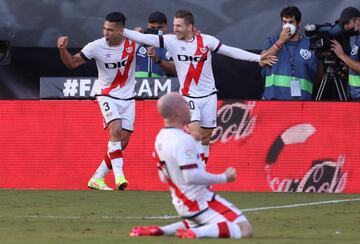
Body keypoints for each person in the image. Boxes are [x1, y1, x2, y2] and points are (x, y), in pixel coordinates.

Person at [122, 9, 277, 164]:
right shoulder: (171, 40)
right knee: (196, 134)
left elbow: (231, 51)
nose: (175, 29)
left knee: (205, 138)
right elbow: (143, 37)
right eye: (174, 25)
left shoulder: (207, 41)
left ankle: (199, 174)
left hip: (209, 96)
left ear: (190, 27)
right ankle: (193, 173)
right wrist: (122, 30)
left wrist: (257, 58)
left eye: (179, 26)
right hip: (189, 97)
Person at [129, 92, 253, 239]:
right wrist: (224, 177)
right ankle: (195, 233)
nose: (189, 108)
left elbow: (163, 177)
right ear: (178, 111)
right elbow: (191, 176)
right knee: (245, 229)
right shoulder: (183, 140)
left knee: (201, 222)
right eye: (185, 104)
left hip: (181, 203)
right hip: (200, 201)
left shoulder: (160, 138)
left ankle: (161, 230)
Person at [57, 12, 139, 190]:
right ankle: (119, 176)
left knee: (122, 142)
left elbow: (161, 39)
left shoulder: (134, 41)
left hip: (128, 97)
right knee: (115, 129)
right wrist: (63, 50)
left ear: (121, 30)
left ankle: (97, 178)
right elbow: (72, 64)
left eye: (110, 30)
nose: (105, 33)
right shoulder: (96, 46)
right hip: (106, 94)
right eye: (104, 28)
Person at [260, 6, 321, 100]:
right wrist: (280, 42)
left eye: (291, 22)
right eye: (285, 22)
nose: (287, 26)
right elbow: (262, 62)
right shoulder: (271, 41)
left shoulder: (309, 45)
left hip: (301, 104)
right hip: (272, 103)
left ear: (298, 23)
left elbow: (319, 74)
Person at [135, 11, 176, 78]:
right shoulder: (138, 41)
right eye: (152, 27)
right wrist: (133, 38)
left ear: (165, 27)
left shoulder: (170, 44)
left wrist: (157, 59)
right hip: (137, 86)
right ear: (148, 25)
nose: (156, 31)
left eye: (159, 28)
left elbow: (174, 71)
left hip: (160, 85)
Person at [331, 6, 360, 100]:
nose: (345, 27)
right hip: (355, 95)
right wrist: (349, 68)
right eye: (343, 24)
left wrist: (342, 55)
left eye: (347, 23)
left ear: (358, 20)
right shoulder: (357, 38)